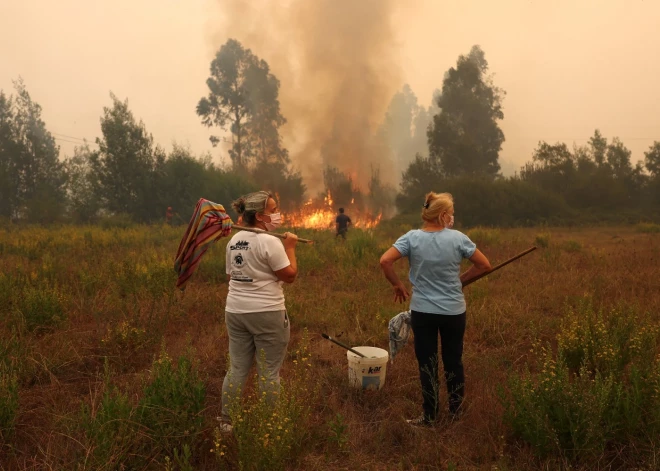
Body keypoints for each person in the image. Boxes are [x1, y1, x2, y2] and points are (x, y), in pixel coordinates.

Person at [379, 192, 491, 426]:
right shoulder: (459, 239)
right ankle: (456, 413)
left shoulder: (411, 238)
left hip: (423, 312)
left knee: (427, 364)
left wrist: (397, 285)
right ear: (442, 215)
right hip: (454, 312)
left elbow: (385, 261)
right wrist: (461, 281)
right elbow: (484, 265)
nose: (452, 217)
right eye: (450, 213)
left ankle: (429, 416)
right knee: (453, 361)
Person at [219, 191, 299, 432]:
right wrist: (291, 247)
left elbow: (231, 275)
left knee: (237, 368)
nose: (276, 214)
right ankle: (271, 424)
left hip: (235, 311)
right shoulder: (270, 241)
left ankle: (226, 422)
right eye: (273, 210)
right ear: (260, 216)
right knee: (269, 373)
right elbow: (290, 275)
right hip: (267, 313)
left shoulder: (233, 241)